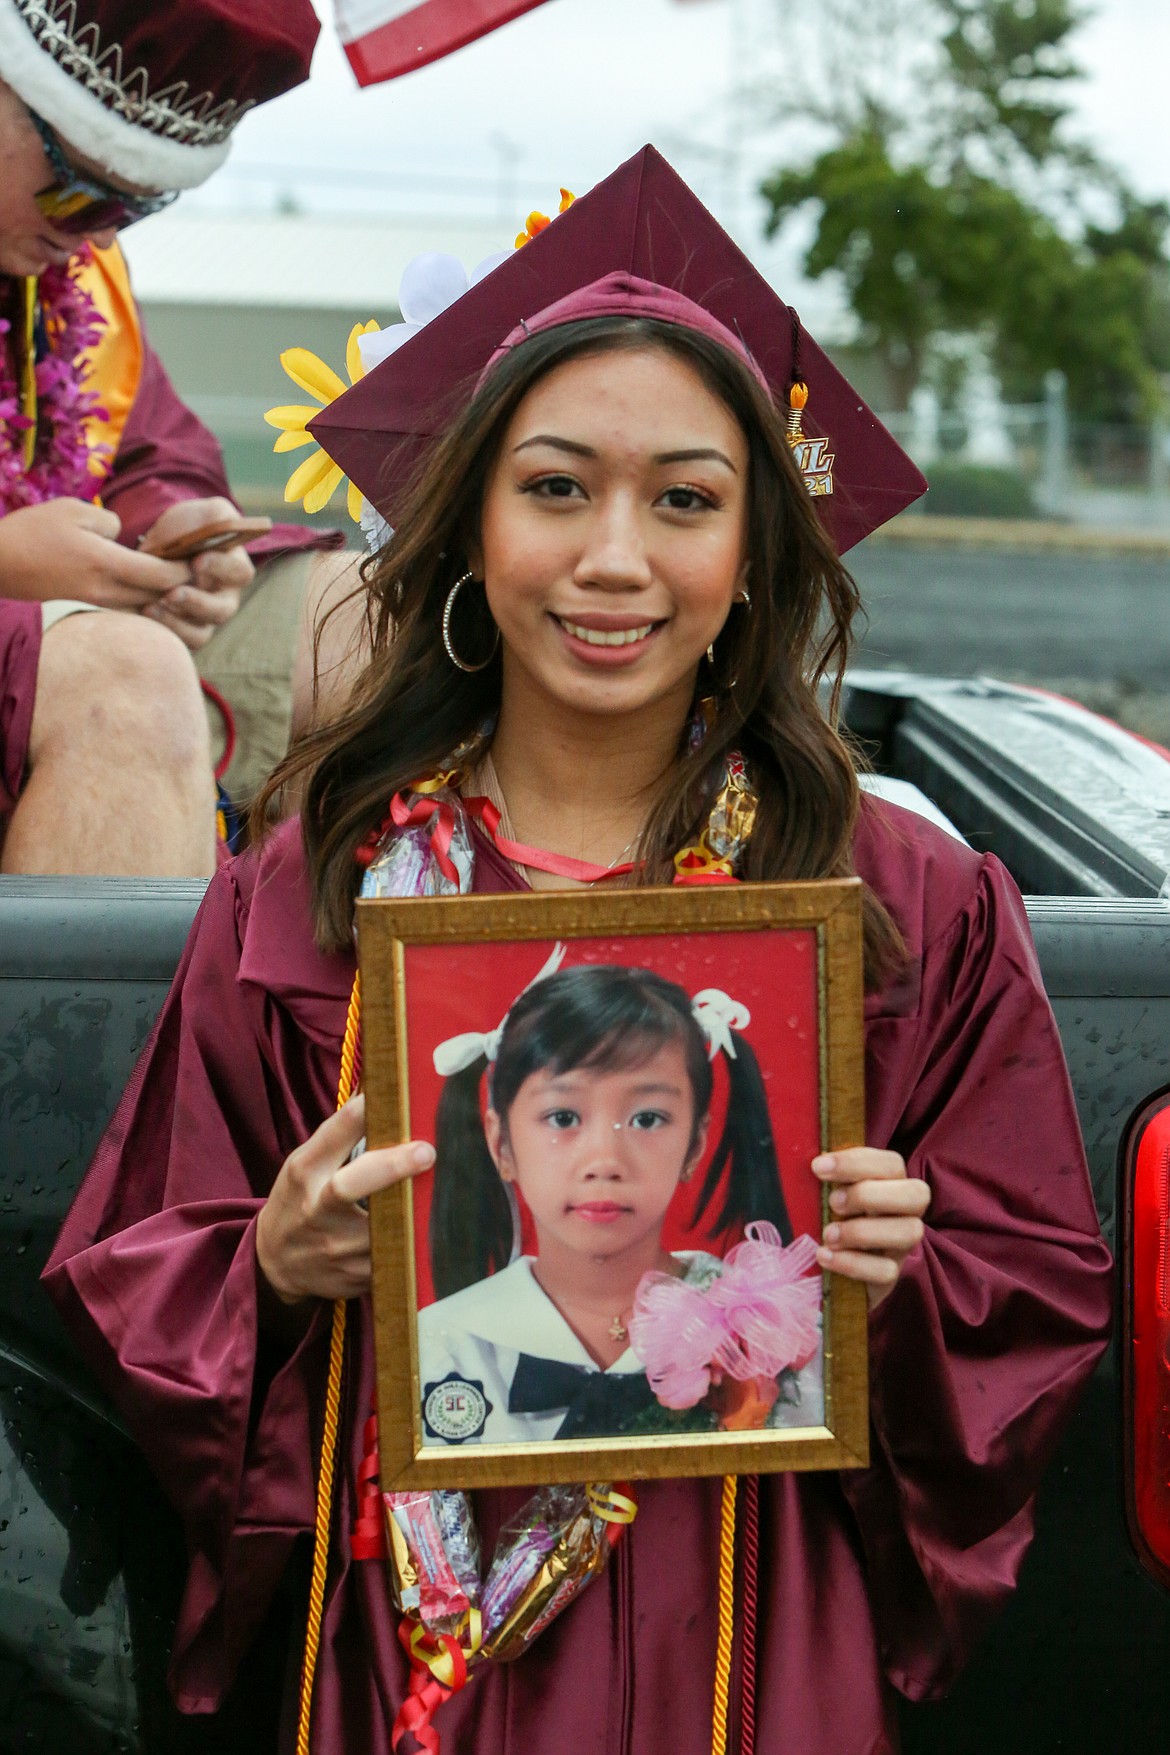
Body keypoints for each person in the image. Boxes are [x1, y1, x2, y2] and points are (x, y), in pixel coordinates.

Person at [44, 148, 1113, 1755]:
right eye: (555, 487)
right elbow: (139, 1266)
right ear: (469, 521)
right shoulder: (316, 895)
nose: (614, 556)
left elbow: (1026, 1294)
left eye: (683, 498)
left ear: (754, 548)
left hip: (755, 1649)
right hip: (409, 1650)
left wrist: (899, 1283)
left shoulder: (900, 904)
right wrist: (274, 1262)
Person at [0, 0, 357, 874]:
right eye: (78, 182)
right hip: (67, 650)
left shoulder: (71, 274)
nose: (92, 230)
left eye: (138, 204)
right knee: (128, 682)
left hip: (64, 623)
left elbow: (153, 451)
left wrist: (184, 539)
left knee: (385, 616)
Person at [418, 958, 821, 1445]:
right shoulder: (437, 1344)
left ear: (693, 1146)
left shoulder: (776, 1337)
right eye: (563, 1117)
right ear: (502, 1145)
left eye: (648, 1119)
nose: (605, 1160)